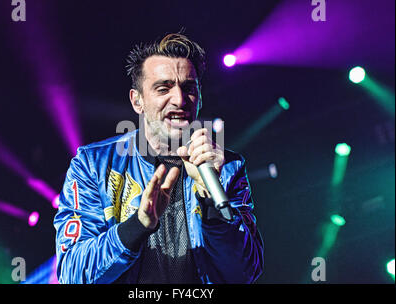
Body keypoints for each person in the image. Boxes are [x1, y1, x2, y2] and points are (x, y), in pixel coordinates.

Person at [53, 32, 264, 284]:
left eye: (188, 88)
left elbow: (244, 273)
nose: (179, 100)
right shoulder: (93, 165)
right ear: (137, 101)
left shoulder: (227, 167)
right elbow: (73, 275)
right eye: (163, 88)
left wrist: (210, 202)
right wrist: (138, 225)